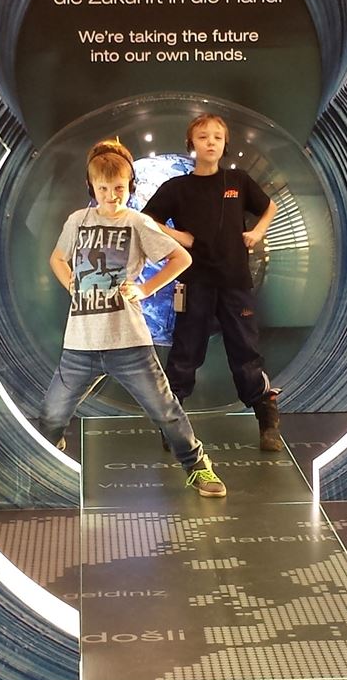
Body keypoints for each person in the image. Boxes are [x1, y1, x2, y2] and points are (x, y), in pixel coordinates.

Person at [38, 138, 227, 497]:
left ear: (130, 186)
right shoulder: (77, 220)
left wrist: (145, 288)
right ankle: (50, 457)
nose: (112, 196)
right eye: (104, 189)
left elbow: (181, 258)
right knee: (51, 415)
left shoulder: (137, 222)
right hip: (80, 343)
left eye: (119, 188)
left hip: (129, 343)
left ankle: (197, 466)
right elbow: (57, 259)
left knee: (166, 411)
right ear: (92, 187)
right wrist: (71, 284)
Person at [142, 113, 283, 451]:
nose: (211, 142)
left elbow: (270, 207)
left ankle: (268, 423)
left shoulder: (239, 181)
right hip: (194, 283)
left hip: (235, 282)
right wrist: (180, 237)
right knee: (184, 354)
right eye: (203, 136)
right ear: (191, 143)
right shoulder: (177, 187)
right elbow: (145, 219)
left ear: (225, 144)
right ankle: (172, 428)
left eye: (218, 137)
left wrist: (257, 232)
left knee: (246, 353)